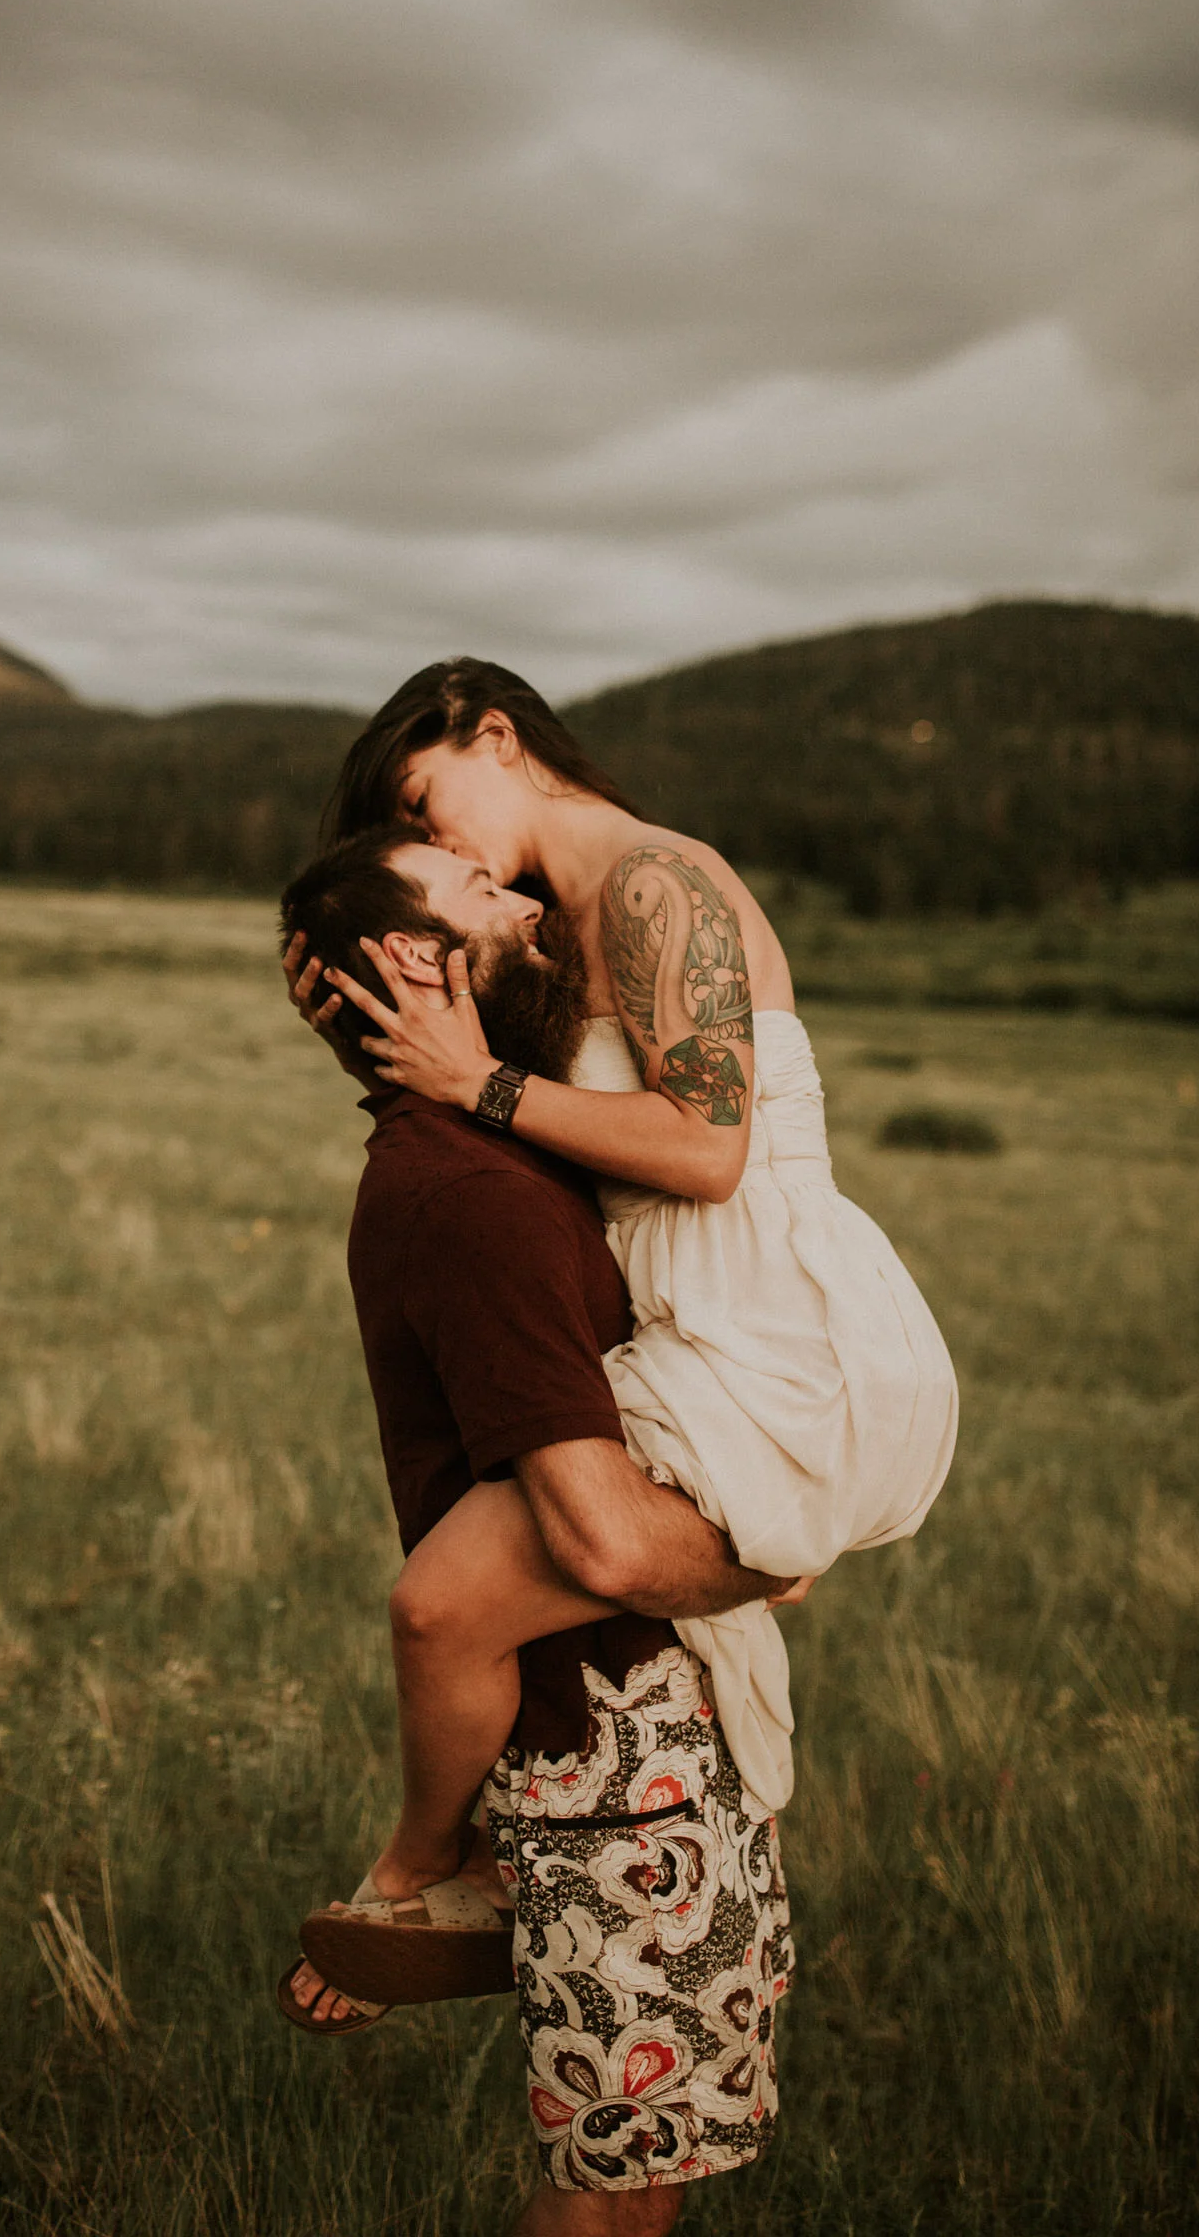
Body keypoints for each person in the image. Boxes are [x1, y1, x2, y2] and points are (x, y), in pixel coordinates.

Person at [283, 656, 958, 1830]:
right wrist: (360, 993)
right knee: (486, 1584)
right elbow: (500, 1097)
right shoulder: (555, 926)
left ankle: (433, 1870)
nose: (445, 846)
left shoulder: (652, 884)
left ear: (494, 737)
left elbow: (706, 1151)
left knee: (443, 1605)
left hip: (766, 1323)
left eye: (417, 804)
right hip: (700, 1322)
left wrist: (481, 1081)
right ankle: (500, 1861)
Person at [277, 824, 798, 2230]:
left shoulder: (489, 1152)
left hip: (609, 1737)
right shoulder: (477, 1199)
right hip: (618, 1750)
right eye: (475, 892)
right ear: (410, 956)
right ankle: (427, 1876)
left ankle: (440, 1880)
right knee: (617, 2199)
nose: (521, 900)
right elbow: (604, 1544)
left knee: (644, 2171)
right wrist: (777, 1546)